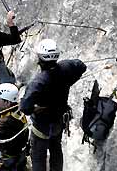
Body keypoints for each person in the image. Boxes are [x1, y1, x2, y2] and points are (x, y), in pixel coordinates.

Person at [20, 39, 86, 171]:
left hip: (42, 126)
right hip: (59, 120)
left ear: (40, 58)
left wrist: (35, 108)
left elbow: (25, 107)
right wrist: (70, 81)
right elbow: (81, 66)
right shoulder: (66, 67)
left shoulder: (38, 82)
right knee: (56, 148)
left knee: (38, 155)